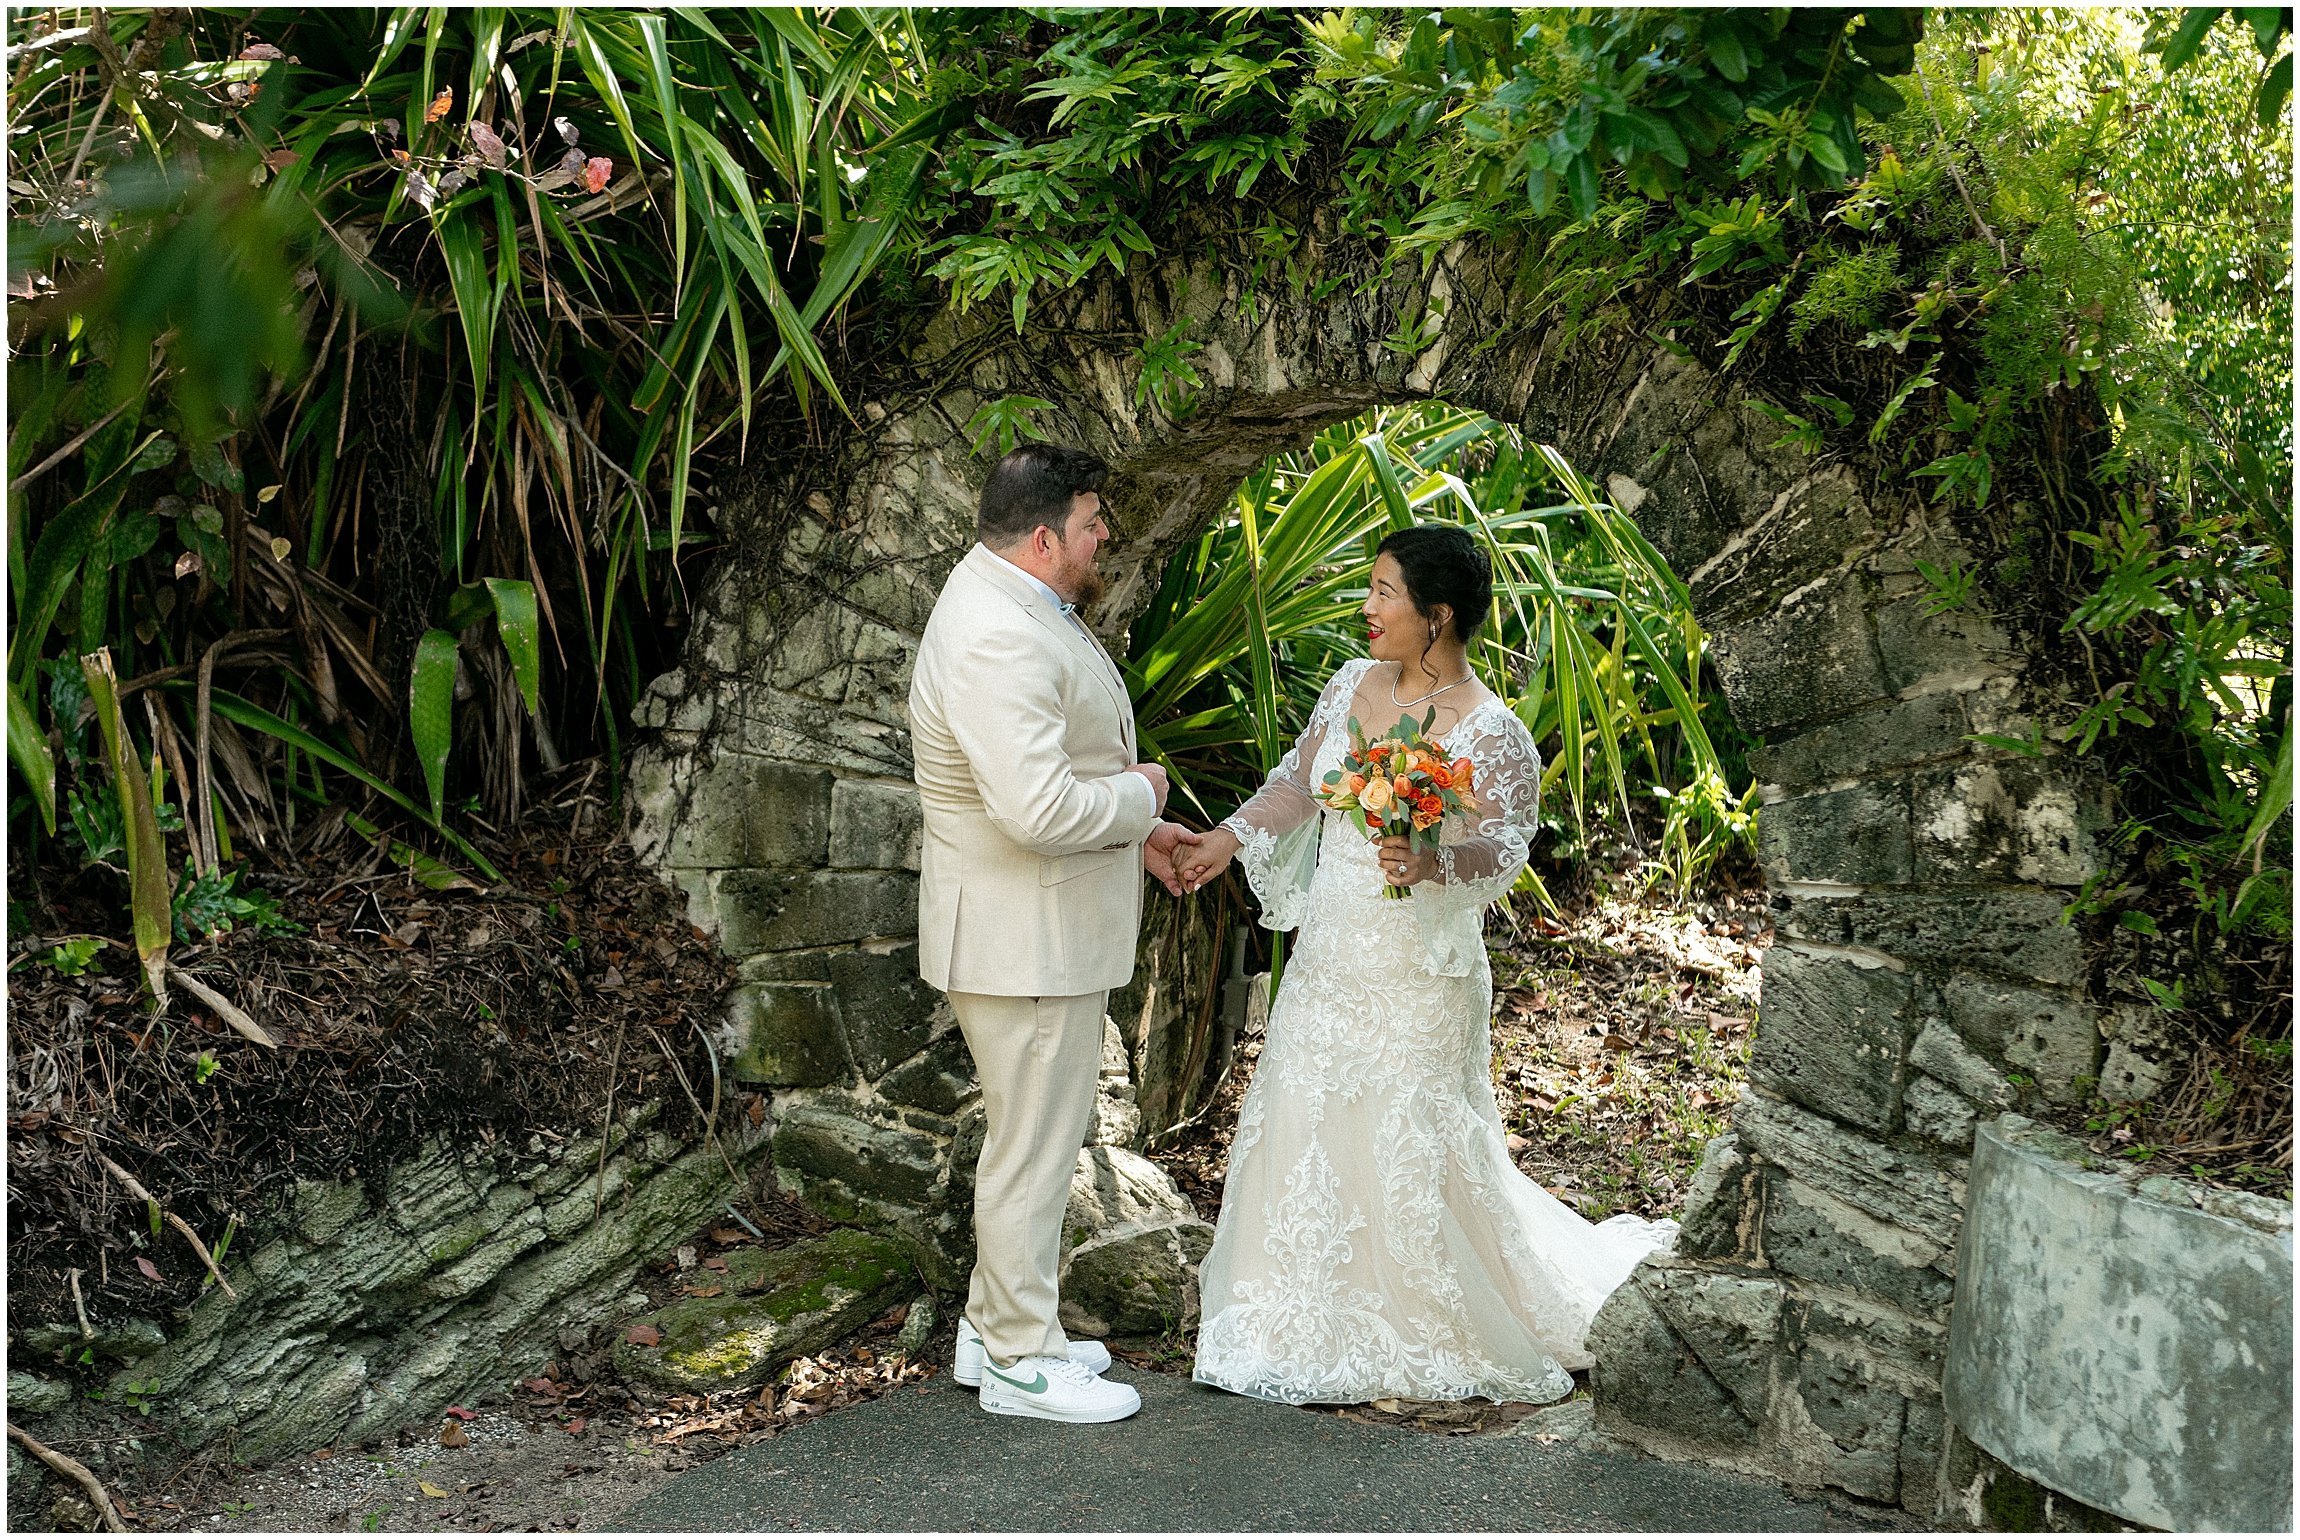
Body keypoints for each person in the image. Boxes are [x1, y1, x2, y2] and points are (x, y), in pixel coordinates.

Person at [1173, 523, 1676, 1407]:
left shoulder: (1493, 730)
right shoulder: (1350, 686)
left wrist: (1434, 861)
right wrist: (1226, 837)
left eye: (1382, 593)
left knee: (1409, 1135)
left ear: (1436, 616)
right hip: (1333, 954)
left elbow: (1507, 846)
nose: (1365, 609)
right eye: (1368, 589)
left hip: (1419, 970)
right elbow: (1298, 783)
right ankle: (1288, 1313)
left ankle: (1423, 1315)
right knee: (1308, 1112)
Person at [908, 443, 1202, 1424]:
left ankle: (993, 1324)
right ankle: (1020, 1363)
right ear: (1042, 538)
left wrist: (1139, 829)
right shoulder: (997, 631)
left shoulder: (1014, 603)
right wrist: (1140, 795)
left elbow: (1049, 761)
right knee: (1031, 1150)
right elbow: (1034, 808)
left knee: (1029, 1140)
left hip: (1031, 928)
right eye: (1090, 523)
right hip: (1019, 937)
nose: (1103, 536)